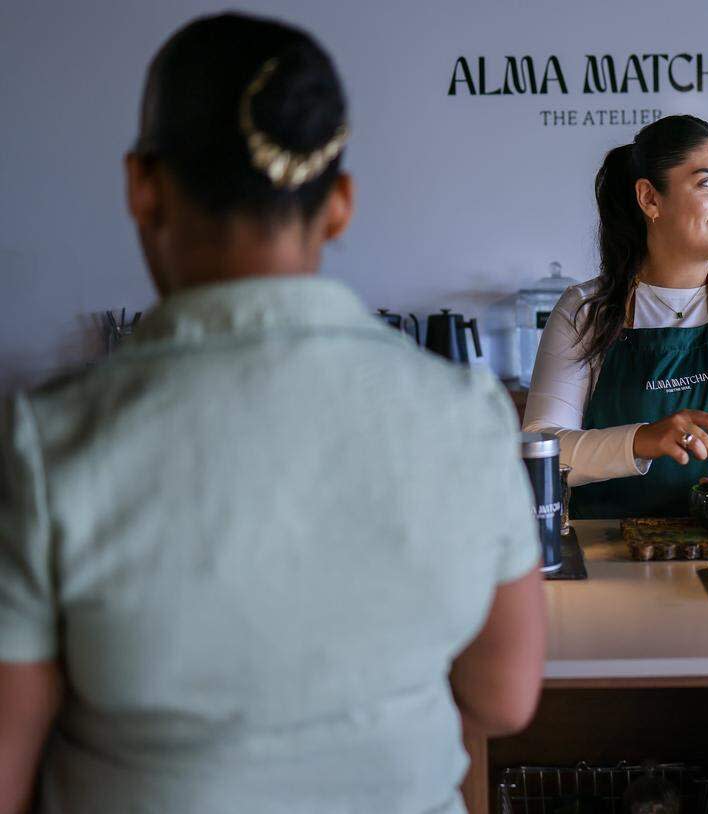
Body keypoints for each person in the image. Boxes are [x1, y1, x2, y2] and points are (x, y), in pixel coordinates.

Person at [0, 13, 544, 814]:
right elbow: (504, 700)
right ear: (340, 204)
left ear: (143, 189)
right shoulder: (465, 415)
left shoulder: (52, 442)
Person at [523, 115, 708, 525]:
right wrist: (643, 439)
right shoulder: (584, 312)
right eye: (706, 183)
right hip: (610, 563)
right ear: (650, 199)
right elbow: (542, 447)